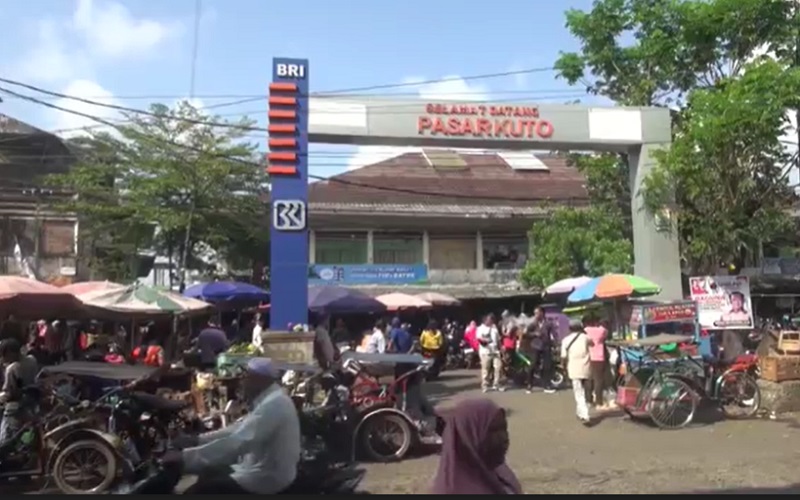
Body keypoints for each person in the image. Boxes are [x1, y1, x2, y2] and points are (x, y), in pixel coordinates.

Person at [164, 358, 300, 494]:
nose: (243, 381)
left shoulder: (274, 405)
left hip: (265, 477)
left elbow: (238, 442)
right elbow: (237, 430)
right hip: (255, 468)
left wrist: (185, 457)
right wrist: (197, 439)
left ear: (260, 379)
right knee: (207, 472)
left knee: (197, 491)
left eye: (247, 376)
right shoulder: (271, 399)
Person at [430, 398, 521, 495]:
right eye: (492, 431)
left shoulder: (501, 472)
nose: (504, 437)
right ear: (468, 436)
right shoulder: (451, 490)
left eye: (503, 428)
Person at [0, 339, 38, 443]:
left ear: (10, 353)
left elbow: (9, 392)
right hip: (31, 404)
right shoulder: (32, 360)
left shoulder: (12, 369)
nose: (3, 358)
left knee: (5, 439)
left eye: (4, 355)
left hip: (15, 408)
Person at [561, 320, 592, 425]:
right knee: (586, 391)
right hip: (586, 368)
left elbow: (563, 357)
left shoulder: (565, 340)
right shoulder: (585, 337)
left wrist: (563, 368)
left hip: (573, 368)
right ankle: (580, 413)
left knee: (578, 392)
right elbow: (592, 343)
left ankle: (585, 414)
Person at [521, 307, 556, 394]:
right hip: (535, 346)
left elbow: (554, 334)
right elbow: (525, 334)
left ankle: (547, 385)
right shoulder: (533, 324)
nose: (536, 315)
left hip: (546, 346)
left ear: (542, 313)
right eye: (535, 313)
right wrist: (534, 334)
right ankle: (529, 385)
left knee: (547, 366)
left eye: (537, 313)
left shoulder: (549, 323)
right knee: (533, 365)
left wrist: (554, 342)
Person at [584, 316, 608, 408]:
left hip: (588, 357)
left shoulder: (585, 330)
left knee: (588, 379)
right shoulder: (602, 330)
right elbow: (606, 335)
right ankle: (599, 401)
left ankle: (588, 400)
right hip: (599, 357)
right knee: (598, 380)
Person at [477, 314, 504, 392]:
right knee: (486, 369)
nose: (491, 321)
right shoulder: (480, 328)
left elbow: (498, 339)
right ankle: (484, 385)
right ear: (485, 320)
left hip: (495, 351)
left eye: (492, 320)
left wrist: (501, 347)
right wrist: (485, 340)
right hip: (485, 352)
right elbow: (479, 338)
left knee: (498, 367)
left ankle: (496, 384)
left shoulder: (494, 328)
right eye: (489, 320)